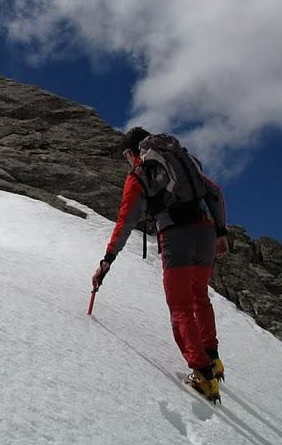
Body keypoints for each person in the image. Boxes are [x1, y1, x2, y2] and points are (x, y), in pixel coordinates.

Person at [91, 127, 229, 402]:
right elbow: (213, 190)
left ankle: (202, 375)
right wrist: (221, 232)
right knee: (200, 297)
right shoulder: (178, 159)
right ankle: (213, 360)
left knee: (180, 306)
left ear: (130, 153)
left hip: (177, 235)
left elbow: (125, 221)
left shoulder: (140, 174)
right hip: (204, 231)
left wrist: (107, 260)